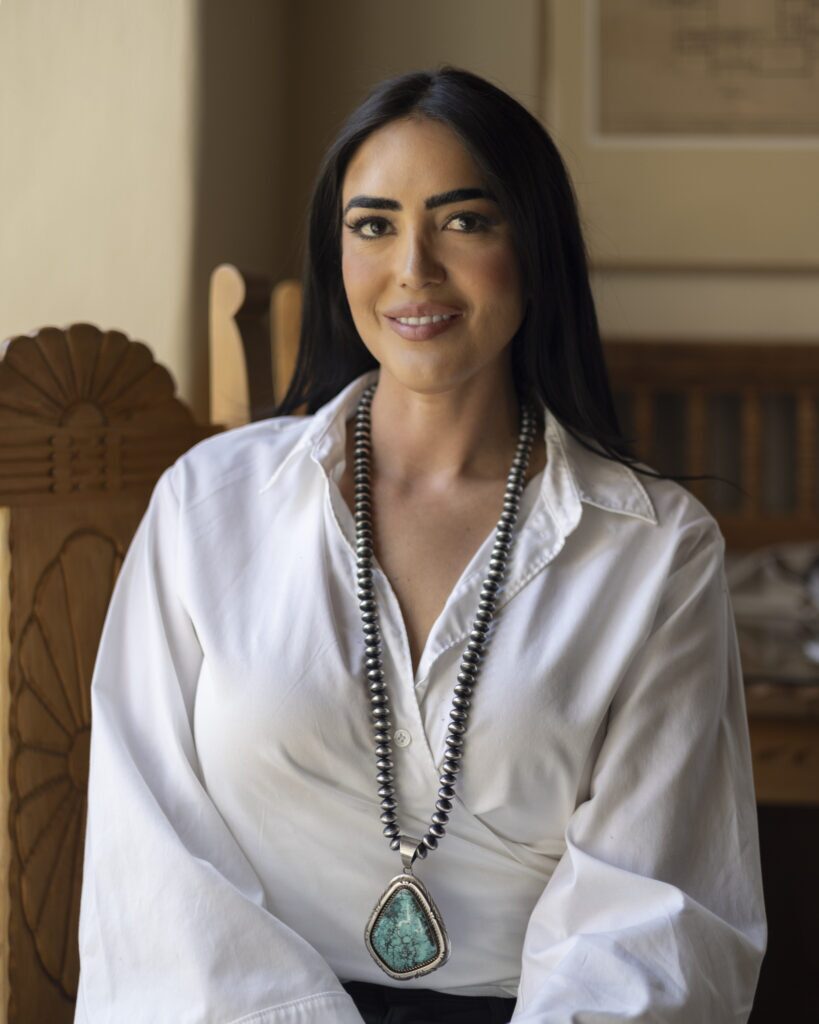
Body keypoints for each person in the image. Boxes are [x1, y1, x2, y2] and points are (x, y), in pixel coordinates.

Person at [75, 66, 766, 1023]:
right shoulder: (208, 505)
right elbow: (149, 855)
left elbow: (657, 912)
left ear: (534, 246)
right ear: (337, 254)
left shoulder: (652, 551)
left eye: (463, 220)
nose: (414, 268)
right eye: (373, 225)